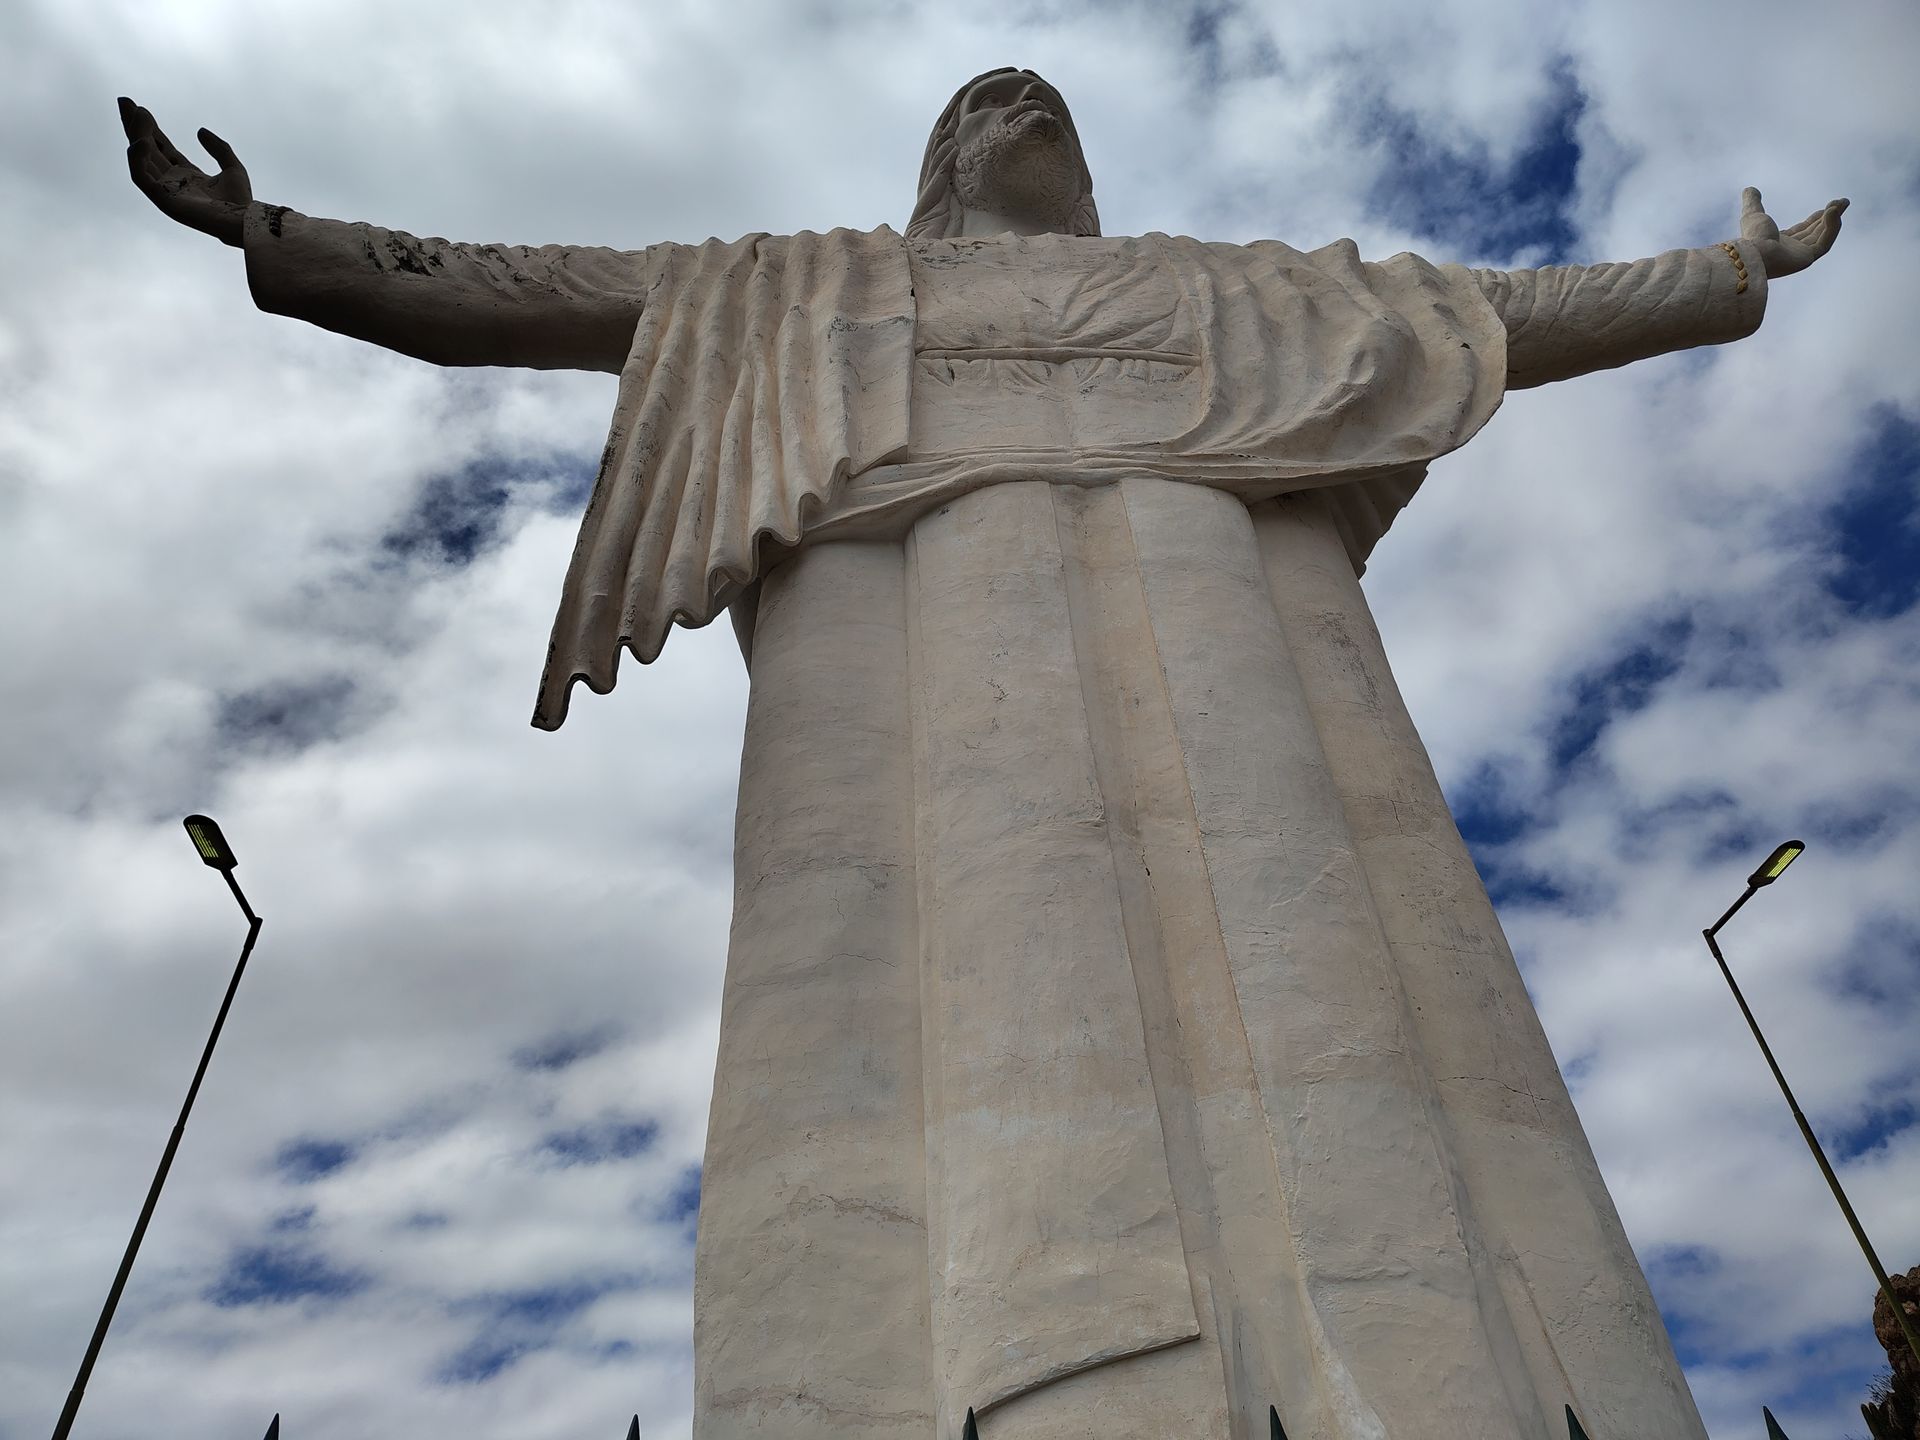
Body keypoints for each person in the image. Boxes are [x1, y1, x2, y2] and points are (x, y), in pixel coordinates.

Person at [122, 69, 1843, 1440]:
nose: (1024, 110)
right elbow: (531, 293)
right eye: (986, 103)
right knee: (922, 972)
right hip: (904, 608)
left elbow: (1484, 312)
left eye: (1052, 107)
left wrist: (1719, 276)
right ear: (941, 160)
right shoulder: (805, 286)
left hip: (1220, 576)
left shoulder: (1244, 295)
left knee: (1330, 915)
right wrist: (272, 231)